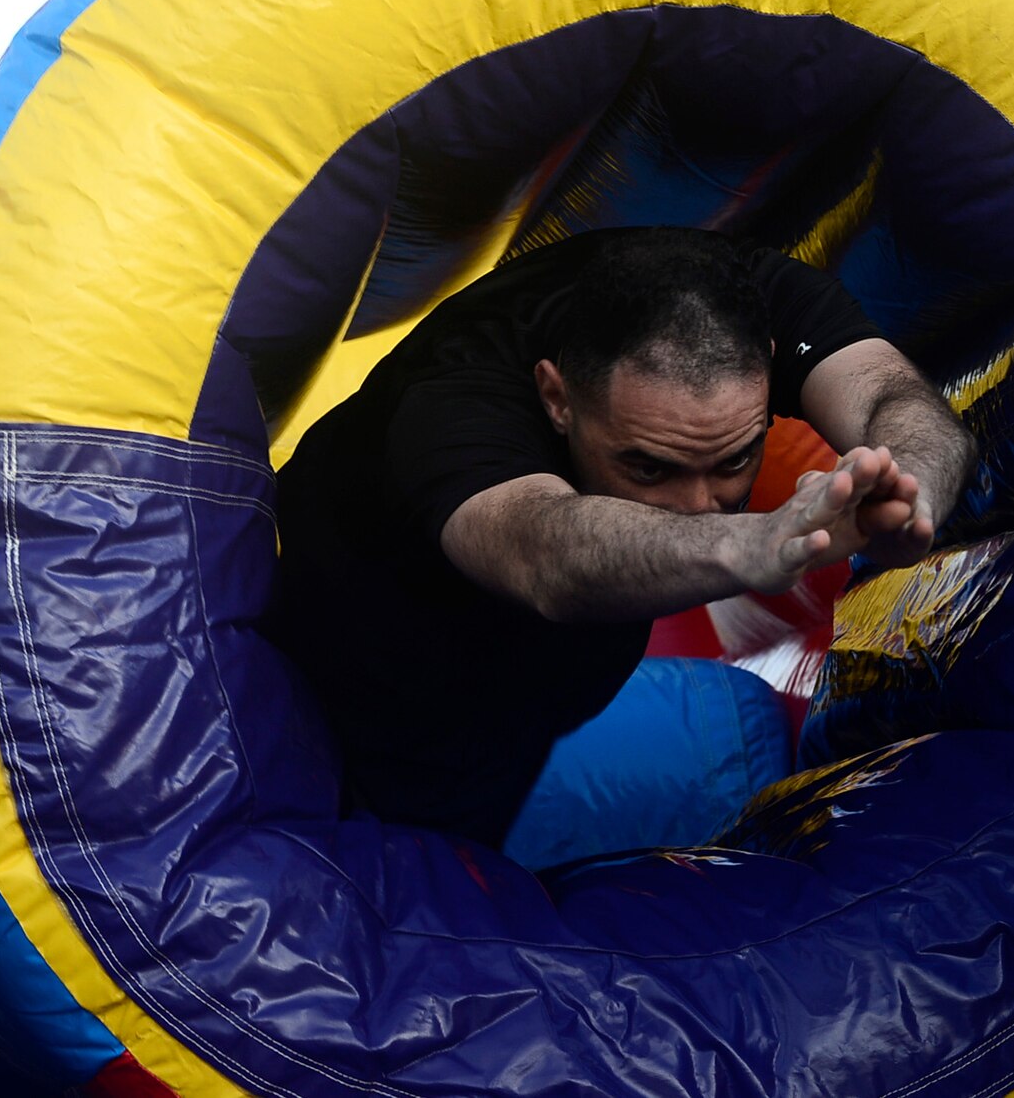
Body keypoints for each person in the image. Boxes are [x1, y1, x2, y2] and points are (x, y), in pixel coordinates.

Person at [268, 226, 976, 848]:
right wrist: (750, 542)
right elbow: (546, 553)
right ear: (557, 397)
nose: (701, 504)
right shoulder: (456, 396)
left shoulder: (743, 302)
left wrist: (906, 494)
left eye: (733, 460)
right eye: (648, 465)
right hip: (357, 662)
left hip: (535, 696)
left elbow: (898, 400)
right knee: (374, 851)